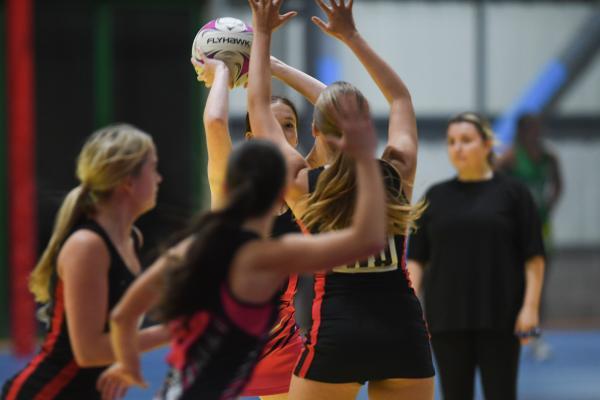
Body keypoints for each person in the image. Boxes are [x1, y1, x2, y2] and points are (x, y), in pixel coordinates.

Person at [95, 93, 386, 399]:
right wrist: (365, 157)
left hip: (269, 351)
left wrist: (129, 364)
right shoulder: (274, 252)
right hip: (223, 372)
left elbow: (122, 316)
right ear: (279, 192)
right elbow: (368, 239)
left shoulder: (202, 241)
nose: (279, 131)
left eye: (287, 125)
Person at [247, 1, 435, 399]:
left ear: (314, 130)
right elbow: (401, 99)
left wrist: (261, 36)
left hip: (337, 334)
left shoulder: (301, 183)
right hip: (403, 334)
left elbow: (259, 108)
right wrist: (351, 36)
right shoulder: (396, 173)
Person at [190, 52, 326, 399]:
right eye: (270, 125)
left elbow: (338, 112)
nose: (280, 133)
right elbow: (215, 123)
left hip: (280, 344)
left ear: (300, 136)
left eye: (289, 126)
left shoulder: (304, 187)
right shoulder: (232, 190)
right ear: (251, 139)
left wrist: (275, 67)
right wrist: (222, 70)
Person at [1, 124, 169, 400]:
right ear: (128, 182)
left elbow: (123, 316)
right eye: (153, 168)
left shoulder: (130, 239)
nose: (160, 178)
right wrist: (174, 330)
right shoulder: (88, 246)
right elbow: (89, 351)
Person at [407, 112, 546, 400]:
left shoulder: (514, 193)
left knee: (501, 393)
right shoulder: (434, 196)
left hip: (501, 317)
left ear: (486, 145)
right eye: (452, 142)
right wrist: (411, 308)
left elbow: (534, 256)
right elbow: (417, 259)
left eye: (466, 140)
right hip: (446, 319)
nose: (457, 148)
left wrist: (530, 308)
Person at [497, 113, 562, 361]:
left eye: (539, 128)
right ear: (521, 131)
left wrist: (549, 205)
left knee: (539, 283)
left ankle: (535, 334)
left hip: (541, 228)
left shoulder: (549, 159)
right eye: (532, 128)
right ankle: (507, 333)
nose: (537, 133)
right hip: (514, 230)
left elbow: (559, 184)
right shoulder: (510, 158)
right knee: (512, 283)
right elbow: (492, 180)